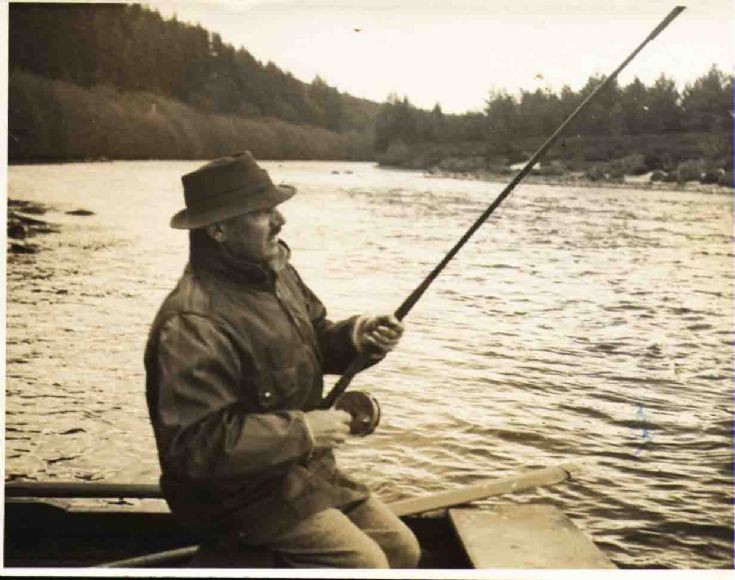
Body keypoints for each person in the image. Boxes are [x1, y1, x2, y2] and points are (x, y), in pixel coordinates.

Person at [144, 151, 421, 569]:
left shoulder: (278, 274)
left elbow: (319, 341)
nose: (279, 220)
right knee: (365, 566)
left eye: (274, 208)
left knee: (403, 551)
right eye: (261, 212)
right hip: (235, 498)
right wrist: (304, 430)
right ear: (218, 229)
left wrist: (358, 336)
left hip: (299, 474)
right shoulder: (190, 322)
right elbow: (194, 448)